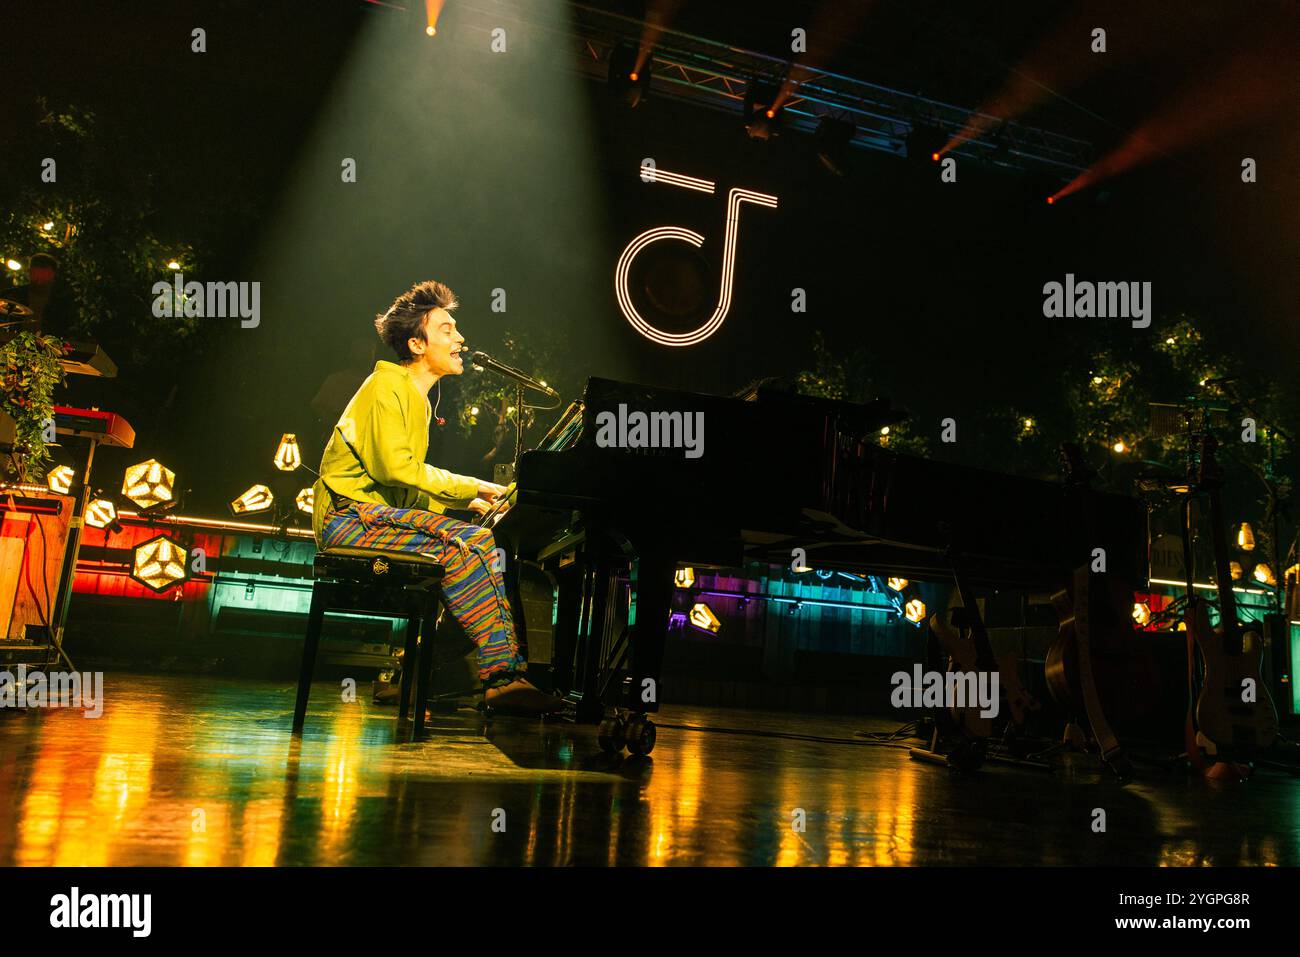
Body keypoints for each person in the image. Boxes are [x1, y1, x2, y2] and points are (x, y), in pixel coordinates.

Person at [312, 279, 560, 714]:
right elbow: (396, 469)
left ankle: (434, 674)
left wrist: (464, 505)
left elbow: (405, 492)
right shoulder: (384, 388)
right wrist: (474, 488)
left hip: (369, 517)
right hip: (346, 519)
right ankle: (500, 677)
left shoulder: (415, 399)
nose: (460, 338)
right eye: (447, 329)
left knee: (475, 544)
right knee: (474, 544)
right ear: (417, 343)